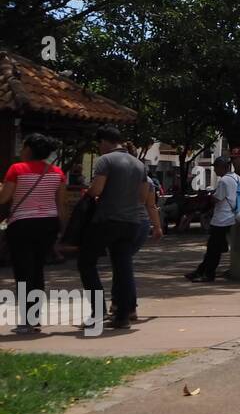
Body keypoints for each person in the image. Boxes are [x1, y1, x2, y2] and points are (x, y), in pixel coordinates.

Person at [80, 125, 162, 330]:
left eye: (99, 144)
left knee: (86, 262)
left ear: (104, 142)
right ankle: (123, 316)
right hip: (132, 222)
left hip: (107, 220)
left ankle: (98, 312)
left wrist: (88, 193)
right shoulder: (139, 165)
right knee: (123, 266)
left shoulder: (105, 161)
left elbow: (96, 189)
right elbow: (143, 197)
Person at [1, 133, 70, 333]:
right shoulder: (57, 172)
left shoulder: (16, 169)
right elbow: (61, 204)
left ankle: (27, 320)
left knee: (23, 272)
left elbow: (4, 198)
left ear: (29, 149)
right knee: (38, 270)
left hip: (22, 224)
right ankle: (35, 317)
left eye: (23, 147)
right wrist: (62, 229)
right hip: (48, 225)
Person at [188, 156, 240, 282]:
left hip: (221, 219)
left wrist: (211, 198)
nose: (214, 170)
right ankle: (201, 270)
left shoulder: (223, 181)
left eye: (215, 168)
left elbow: (217, 199)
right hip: (231, 217)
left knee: (213, 249)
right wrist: (238, 206)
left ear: (221, 167)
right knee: (213, 247)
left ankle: (208, 274)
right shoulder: (236, 178)